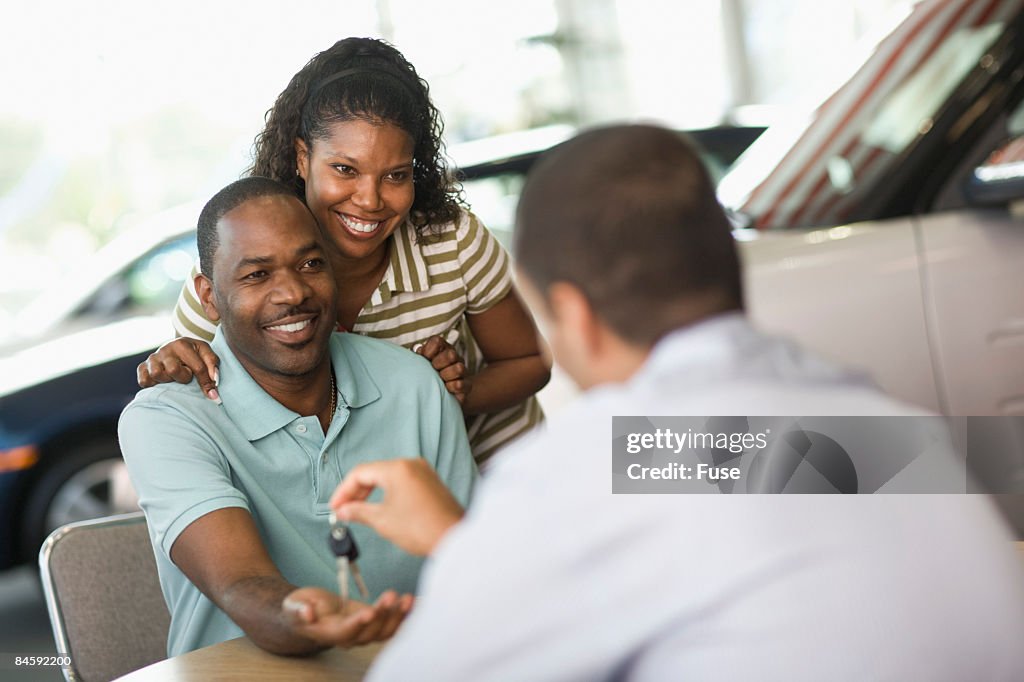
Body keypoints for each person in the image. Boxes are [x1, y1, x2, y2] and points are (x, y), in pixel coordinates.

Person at [327, 125, 1024, 680]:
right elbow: (735, 521)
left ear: (573, 313)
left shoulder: (589, 465)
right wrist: (479, 548)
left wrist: (474, 553)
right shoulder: (892, 431)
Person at [140, 37, 549, 466]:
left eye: (395, 175)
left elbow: (529, 362)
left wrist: (452, 394)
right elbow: (197, 407)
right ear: (302, 158)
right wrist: (173, 364)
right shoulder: (232, 277)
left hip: (499, 473)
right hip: (367, 507)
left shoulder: (452, 242)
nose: (370, 200)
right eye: (345, 169)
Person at [118, 177, 477, 657]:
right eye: (256, 275)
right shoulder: (166, 418)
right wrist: (308, 618)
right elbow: (241, 583)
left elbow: (473, 562)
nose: (292, 293)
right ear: (208, 295)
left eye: (310, 264)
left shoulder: (414, 384)